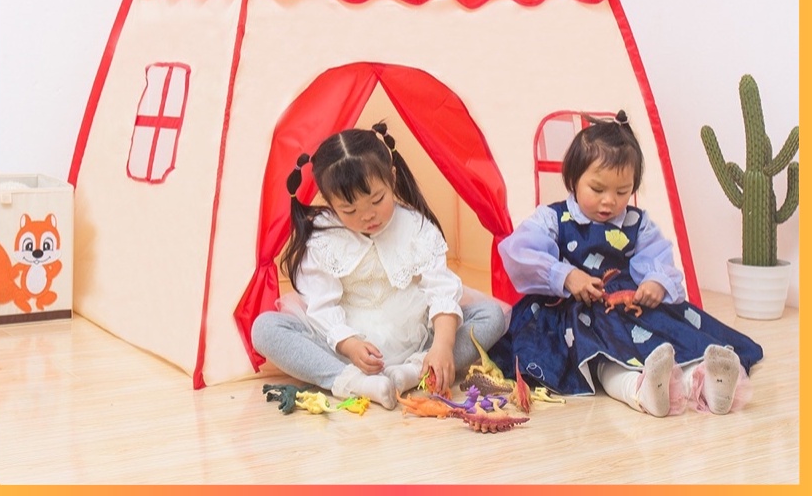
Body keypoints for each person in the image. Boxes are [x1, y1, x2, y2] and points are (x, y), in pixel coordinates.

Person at [488, 111, 763, 417]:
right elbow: (520, 251)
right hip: (573, 314)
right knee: (605, 355)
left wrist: (655, 282)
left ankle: (705, 383)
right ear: (573, 180)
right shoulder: (552, 218)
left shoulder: (637, 222)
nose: (610, 201)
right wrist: (565, 275)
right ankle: (640, 391)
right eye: (597, 189)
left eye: (622, 192)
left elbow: (658, 255)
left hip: (628, 308)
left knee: (670, 340)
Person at [252, 122, 507, 410]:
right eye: (349, 210)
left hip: (416, 339)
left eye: (377, 200)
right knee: (265, 328)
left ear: (392, 179)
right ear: (329, 201)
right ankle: (351, 381)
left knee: (491, 316)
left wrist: (442, 347)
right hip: (347, 349)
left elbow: (441, 290)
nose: (367, 216)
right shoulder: (323, 236)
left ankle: (415, 371)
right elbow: (322, 305)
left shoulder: (415, 225)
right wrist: (349, 344)